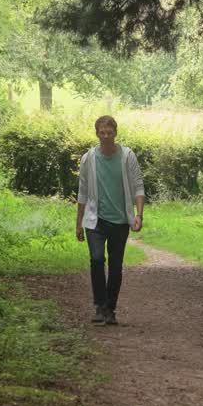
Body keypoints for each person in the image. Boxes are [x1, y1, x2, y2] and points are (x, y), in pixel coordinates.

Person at [76, 115, 144, 325]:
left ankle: (110, 308)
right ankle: (99, 306)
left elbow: (138, 187)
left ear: (115, 133)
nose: (106, 136)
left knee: (115, 266)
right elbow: (83, 192)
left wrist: (139, 215)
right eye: (102, 132)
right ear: (96, 134)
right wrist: (78, 223)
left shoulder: (127, 156)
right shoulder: (89, 158)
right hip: (95, 220)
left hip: (120, 221)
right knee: (97, 260)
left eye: (109, 132)